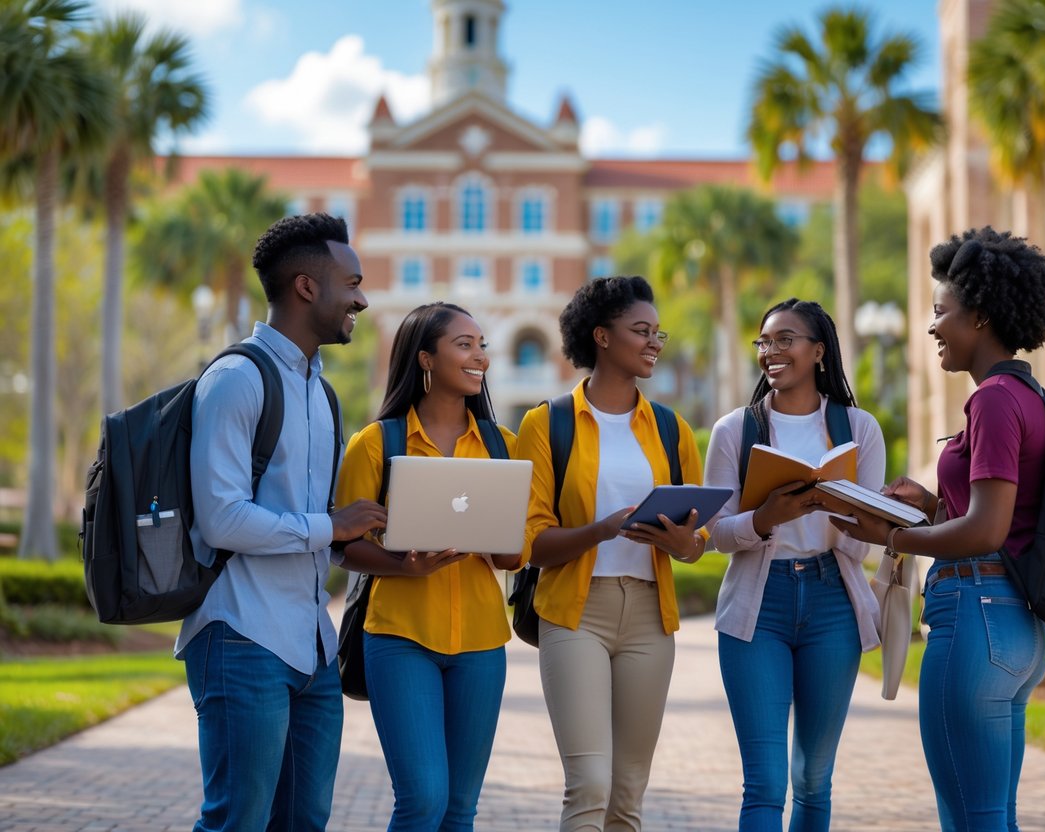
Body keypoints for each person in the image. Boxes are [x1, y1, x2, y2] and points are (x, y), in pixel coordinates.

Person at [822, 226, 1045, 831]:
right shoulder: (1028, 395)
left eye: (939, 312)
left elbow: (985, 532)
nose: (931, 327)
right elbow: (998, 517)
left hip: (976, 616)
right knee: (992, 817)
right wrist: (929, 506)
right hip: (1014, 626)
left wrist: (890, 537)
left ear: (977, 317)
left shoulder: (993, 401)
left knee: (971, 821)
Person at [177, 212, 387, 832]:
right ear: (305, 287)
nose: (363, 299)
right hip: (240, 635)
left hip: (313, 646)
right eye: (351, 284)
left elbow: (326, 526)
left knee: (304, 821)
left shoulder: (323, 394)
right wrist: (332, 525)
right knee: (237, 821)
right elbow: (222, 520)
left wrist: (376, 537)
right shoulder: (236, 379)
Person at [516, 275, 707, 832]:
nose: (653, 342)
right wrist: (599, 531)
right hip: (576, 614)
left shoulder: (672, 429)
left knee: (627, 793)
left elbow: (697, 543)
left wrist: (683, 544)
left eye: (658, 333)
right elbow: (532, 542)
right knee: (590, 784)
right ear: (601, 336)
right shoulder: (545, 423)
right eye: (640, 330)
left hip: (651, 616)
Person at [334, 302, 523, 831]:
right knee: (422, 800)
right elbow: (343, 547)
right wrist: (406, 567)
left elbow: (513, 556)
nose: (479, 356)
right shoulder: (375, 444)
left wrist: (495, 539)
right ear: (426, 358)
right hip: (399, 636)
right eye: (464, 345)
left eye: (482, 345)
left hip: (482, 642)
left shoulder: (501, 447)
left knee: (460, 809)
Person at [702, 298, 886, 831]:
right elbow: (717, 533)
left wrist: (839, 511)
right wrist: (766, 518)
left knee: (813, 779)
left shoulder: (858, 427)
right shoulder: (735, 430)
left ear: (818, 351)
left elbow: (870, 534)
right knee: (764, 784)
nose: (771, 351)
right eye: (764, 341)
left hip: (833, 601)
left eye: (785, 340)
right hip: (758, 606)